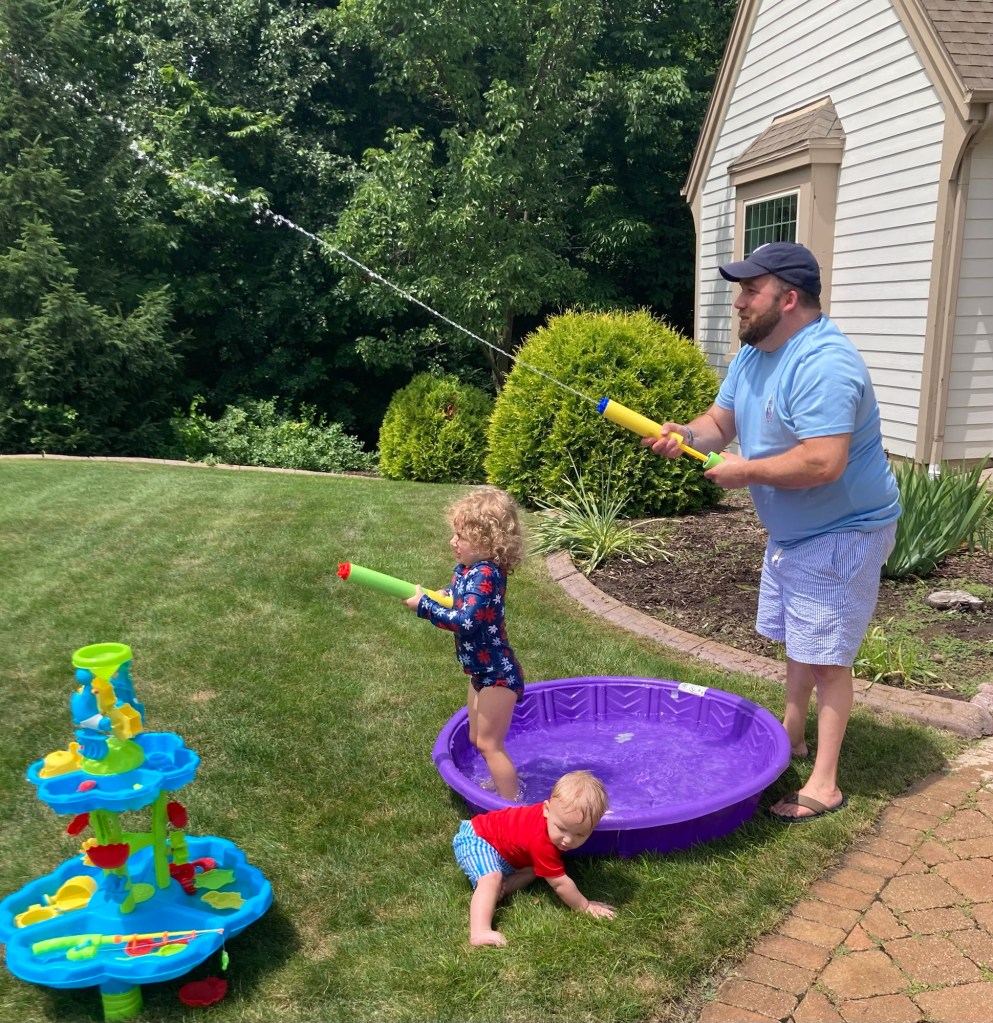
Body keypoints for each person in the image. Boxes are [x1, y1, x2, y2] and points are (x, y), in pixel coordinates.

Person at [646, 241, 900, 823]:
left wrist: (746, 472)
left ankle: (825, 784)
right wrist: (685, 435)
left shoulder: (824, 364)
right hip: (796, 529)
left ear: (788, 299)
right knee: (800, 638)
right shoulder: (754, 354)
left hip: (846, 528)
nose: (738, 302)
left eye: (750, 291)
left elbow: (823, 462)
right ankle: (794, 734)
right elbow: (719, 423)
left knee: (827, 656)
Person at [405, 486, 525, 801]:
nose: (452, 541)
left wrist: (424, 607)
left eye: (460, 536)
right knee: (475, 737)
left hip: (498, 675)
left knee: (489, 744)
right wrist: (439, 596)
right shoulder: (468, 570)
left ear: (487, 542)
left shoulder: (486, 575)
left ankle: (512, 806)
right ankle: (502, 787)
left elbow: (466, 621)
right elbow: (457, 595)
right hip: (480, 672)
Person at [451, 769, 616, 946]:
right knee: (491, 878)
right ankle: (480, 931)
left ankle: (500, 891)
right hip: (477, 838)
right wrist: (585, 906)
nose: (568, 840)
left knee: (533, 871)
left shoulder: (558, 813)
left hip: (504, 851)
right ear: (546, 809)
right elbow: (560, 884)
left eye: (579, 834)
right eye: (561, 828)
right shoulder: (541, 841)